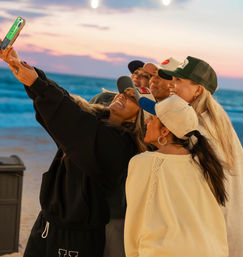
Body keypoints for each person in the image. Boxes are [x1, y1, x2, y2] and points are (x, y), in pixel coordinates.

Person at [0, 45, 147, 257]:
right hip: (48, 222)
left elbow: (73, 122)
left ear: (139, 116)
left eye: (132, 98)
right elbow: (68, 103)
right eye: (123, 92)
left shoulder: (122, 145)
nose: (122, 97)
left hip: (77, 235)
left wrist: (36, 83)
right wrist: (23, 68)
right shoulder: (96, 118)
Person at [158, 56, 243, 257]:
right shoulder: (215, 120)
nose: (172, 85)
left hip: (213, 226)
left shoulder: (197, 126)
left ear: (198, 90)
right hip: (227, 223)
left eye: (178, 81)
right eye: (173, 80)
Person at [125, 94, 228, 257]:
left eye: (152, 118)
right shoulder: (205, 164)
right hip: (210, 250)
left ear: (165, 131)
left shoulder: (143, 163)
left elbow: (135, 220)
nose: (146, 122)